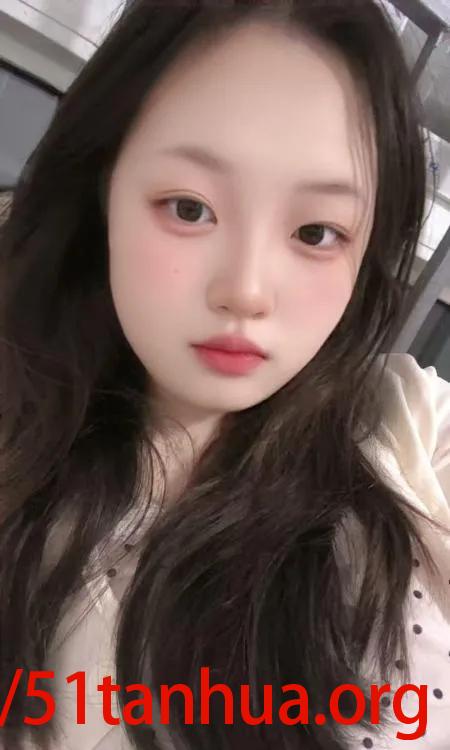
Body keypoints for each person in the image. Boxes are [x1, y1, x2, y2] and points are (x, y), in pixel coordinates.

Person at [0, 0, 449, 748]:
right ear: (104, 189)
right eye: (189, 208)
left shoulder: (411, 430)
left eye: (316, 232)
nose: (246, 290)